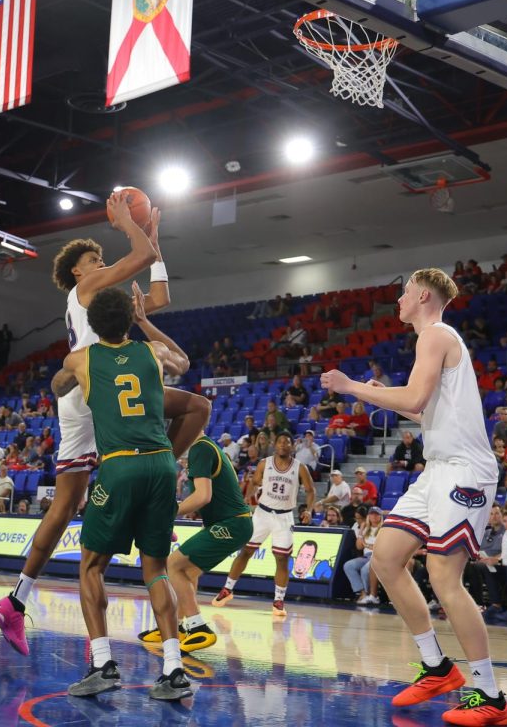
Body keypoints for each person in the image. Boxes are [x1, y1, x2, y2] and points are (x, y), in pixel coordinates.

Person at [0, 190, 173, 655]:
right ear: (77, 269)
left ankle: (16, 600)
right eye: (96, 258)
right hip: (100, 389)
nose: (103, 262)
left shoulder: (101, 304)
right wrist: (130, 228)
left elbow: (159, 296)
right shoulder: (84, 289)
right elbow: (141, 254)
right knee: (192, 409)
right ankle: (163, 496)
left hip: (79, 398)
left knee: (65, 505)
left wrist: (152, 244)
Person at [320, 268, 507, 725]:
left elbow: (416, 401)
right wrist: (384, 395)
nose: (398, 300)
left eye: (403, 293)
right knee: (385, 559)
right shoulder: (433, 340)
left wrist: (351, 388)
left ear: (423, 294)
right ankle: (437, 667)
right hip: (438, 470)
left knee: (445, 577)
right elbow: (416, 398)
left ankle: (490, 696)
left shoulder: (437, 334)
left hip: (464, 471)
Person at [49, 284, 193, 700]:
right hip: (162, 465)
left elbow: (59, 387)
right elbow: (182, 362)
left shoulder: (81, 359)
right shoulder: (152, 353)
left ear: (93, 323)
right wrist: (147, 322)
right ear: (128, 320)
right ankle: (173, 669)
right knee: (156, 568)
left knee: (92, 566)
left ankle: (103, 663)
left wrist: (71, 374)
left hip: (120, 466)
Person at [138, 434, 252, 652]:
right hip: (230, 522)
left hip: (232, 523)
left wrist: (168, 514)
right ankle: (178, 627)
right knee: (187, 573)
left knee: (172, 565)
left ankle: (197, 626)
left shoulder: (200, 448)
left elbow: (203, 496)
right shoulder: (206, 447)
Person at [211, 430, 315, 617]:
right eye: (280, 441)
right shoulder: (264, 464)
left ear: (293, 446)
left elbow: (310, 491)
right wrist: (247, 499)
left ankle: (278, 600)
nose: (283, 444)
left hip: (284, 517)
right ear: (275, 444)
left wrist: (308, 509)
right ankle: (227, 589)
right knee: (246, 551)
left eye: (287, 442)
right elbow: (255, 483)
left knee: (282, 559)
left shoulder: (300, 468)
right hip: (262, 513)